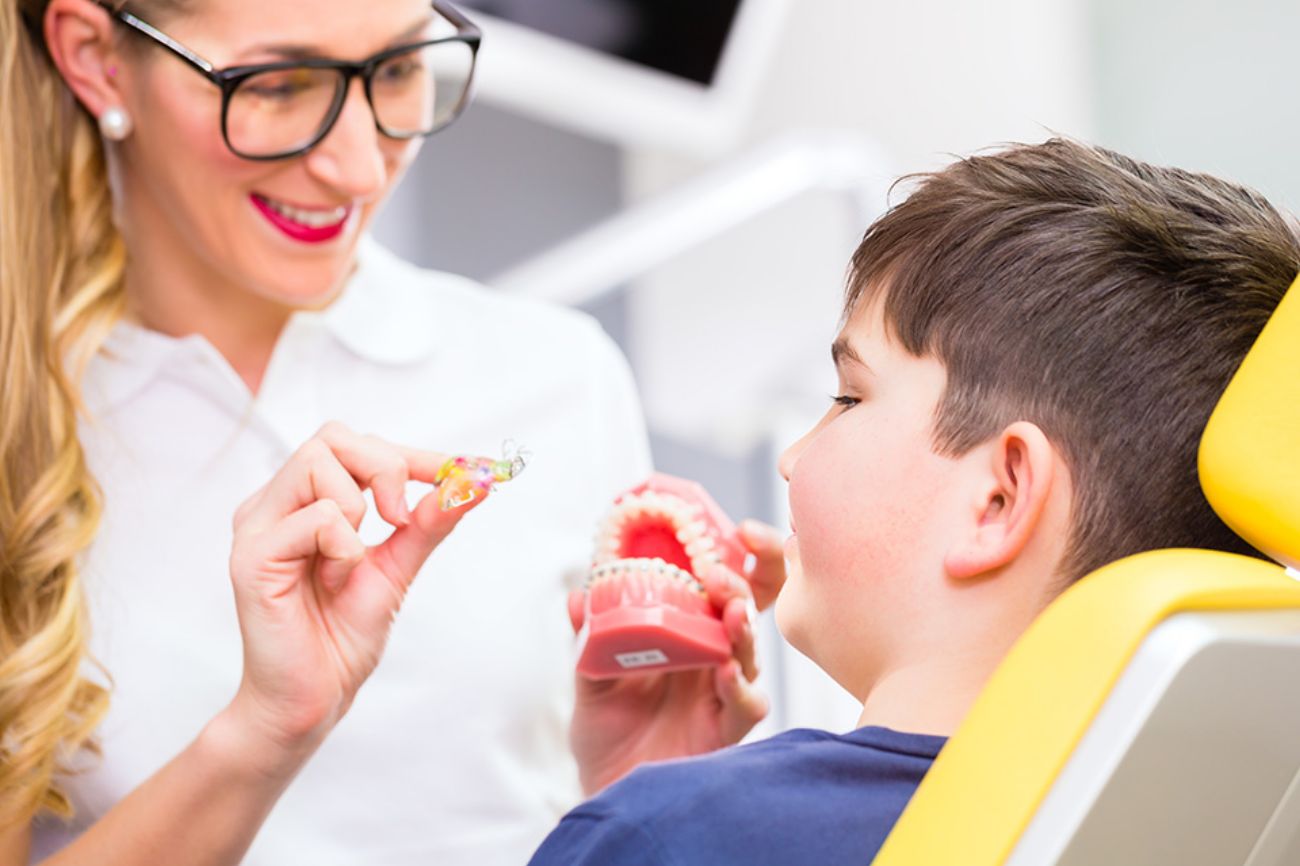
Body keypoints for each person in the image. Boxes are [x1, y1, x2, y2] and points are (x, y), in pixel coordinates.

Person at [0, 1, 784, 863]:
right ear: (96, 59)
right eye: (278, 84)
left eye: (400, 70)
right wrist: (264, 734)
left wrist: (640, 806)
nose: (357, 166)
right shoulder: (23, 422)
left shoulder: (560, 377)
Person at [527, 139, 1300, 864]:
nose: (794, 458)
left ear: (997, 499)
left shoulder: (677, 838)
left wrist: (637, 818)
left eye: (849, 395)